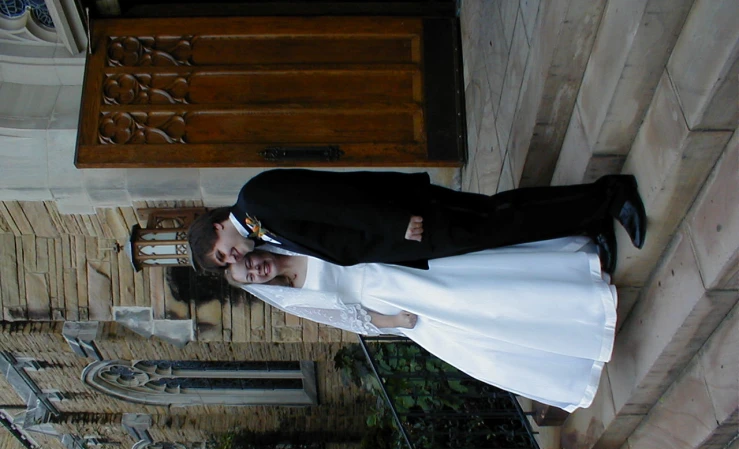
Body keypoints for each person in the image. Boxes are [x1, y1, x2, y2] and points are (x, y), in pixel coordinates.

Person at [226, 238, 618, 412]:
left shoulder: (290, 242)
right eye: (252, 278)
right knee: (480, 315)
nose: (258, 271)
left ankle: (575, 279)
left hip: (395, 262)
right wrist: (394, 321)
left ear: (253, 252)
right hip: (393, 296)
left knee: (485, 276)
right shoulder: (297, 297)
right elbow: (351, 317)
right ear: (257, 287)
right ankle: (581, 323)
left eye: (251, 264)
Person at [187, 169, 647, 275]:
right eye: (225, 263)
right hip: (403, 241)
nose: (233, 258)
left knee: (499, 216)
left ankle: (611, 194)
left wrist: (394, 222)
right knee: (498, 232)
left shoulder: (256, 198)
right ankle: (588, 220)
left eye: (222, 252)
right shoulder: (255, 225)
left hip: (407, 218)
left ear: (215, 228)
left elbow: (334, 201)